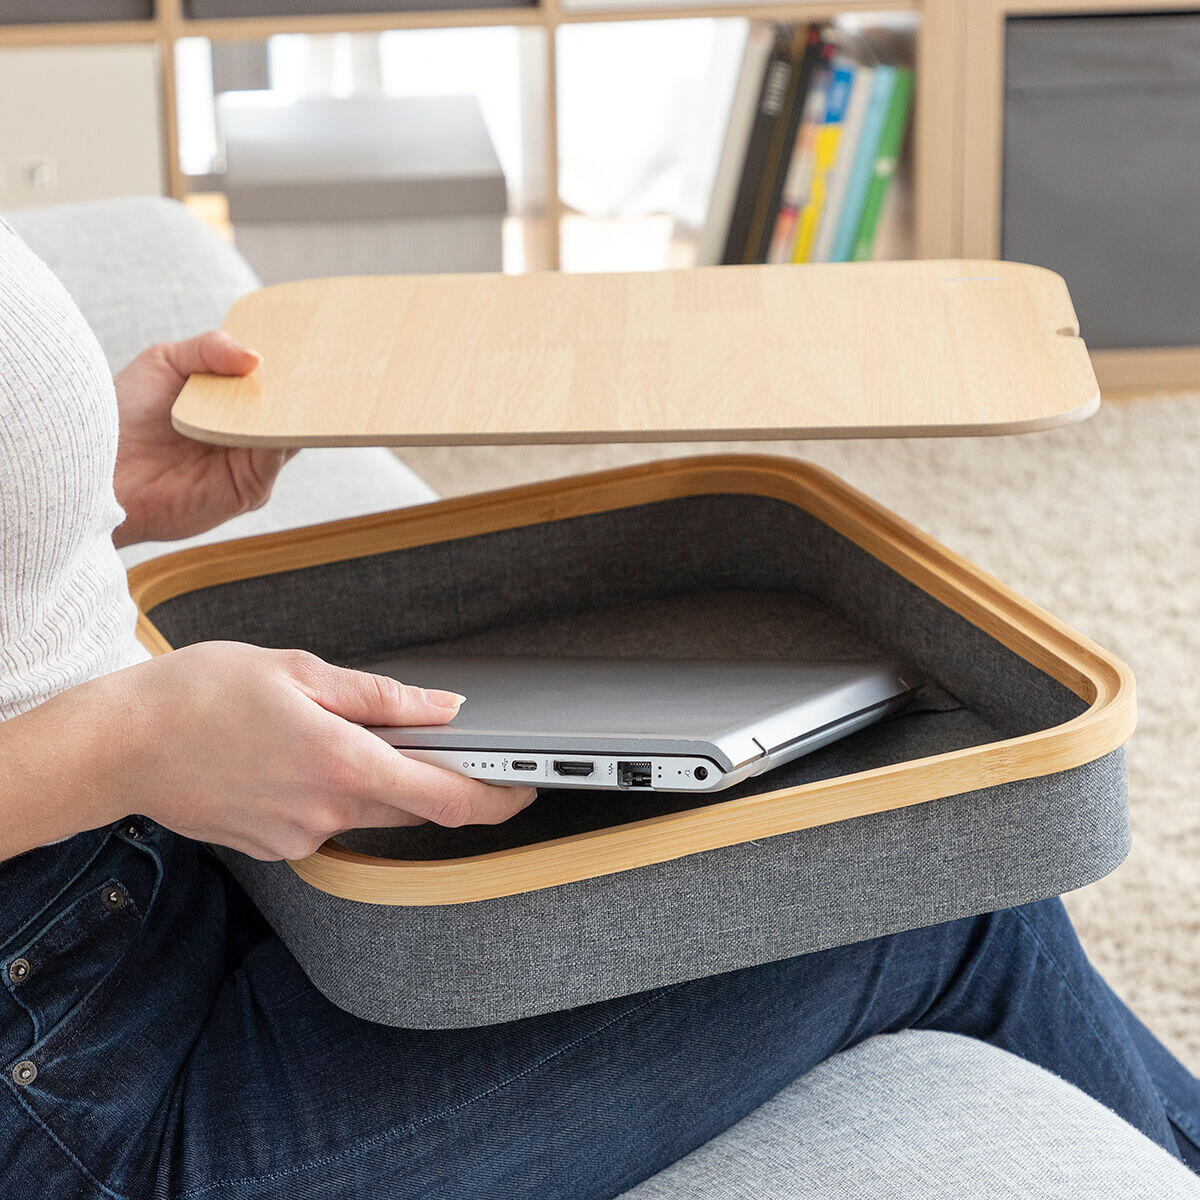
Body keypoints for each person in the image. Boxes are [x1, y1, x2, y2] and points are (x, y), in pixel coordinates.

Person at [1, 215, 1197, 1200]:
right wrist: (131, 743)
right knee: (937, 886)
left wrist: (83, 503)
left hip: (141, 890)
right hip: (87, 1106)